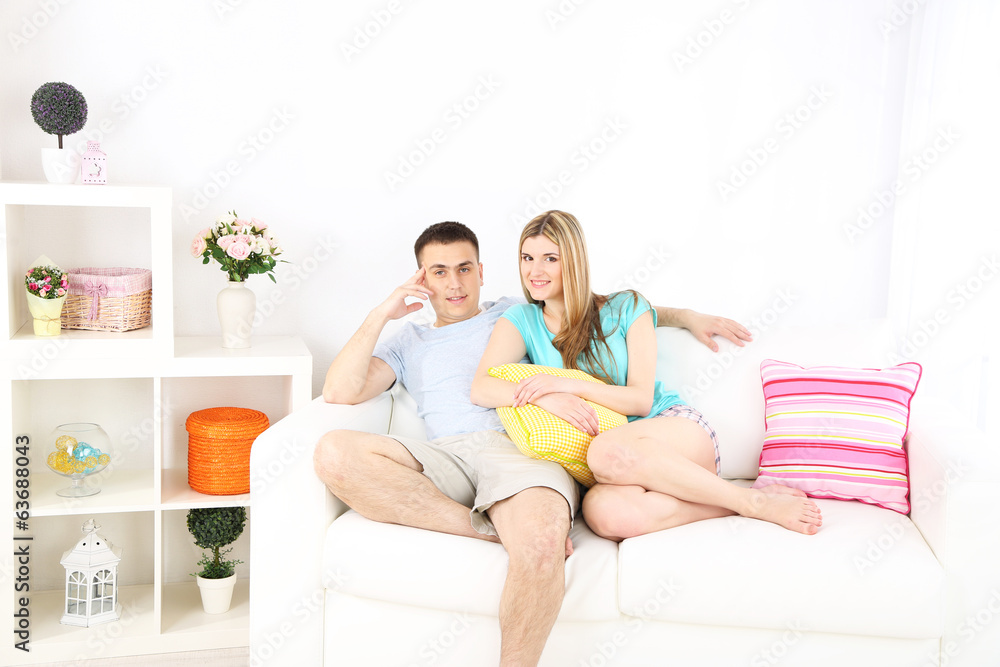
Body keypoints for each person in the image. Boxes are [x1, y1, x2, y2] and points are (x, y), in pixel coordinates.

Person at [314, 221, 753, 667]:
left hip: (521, 451)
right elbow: (339, 391)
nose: (454, 283)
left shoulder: (513, 313)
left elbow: (599, 308)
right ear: (421, 279)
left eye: (464, 268)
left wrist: (686, 316)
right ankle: (485, 529)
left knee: (542, 544)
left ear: (482, 272)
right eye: (439, 272)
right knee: (334, 452)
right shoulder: (408, 342)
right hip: (446, 454)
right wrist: (381, 314)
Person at [470, 210, 823, 542]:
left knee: (605, 450)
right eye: (526, 257)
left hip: (669, 429)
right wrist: (543, 395)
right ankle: (731, 502)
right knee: (605, 514)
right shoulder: (521, 321)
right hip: (615, 467)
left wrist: (565, 383)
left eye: (550, 258)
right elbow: (482, 387)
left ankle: (755, 505)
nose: (535, 270)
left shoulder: (627, 307)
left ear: (573, 262)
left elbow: (639, 399)